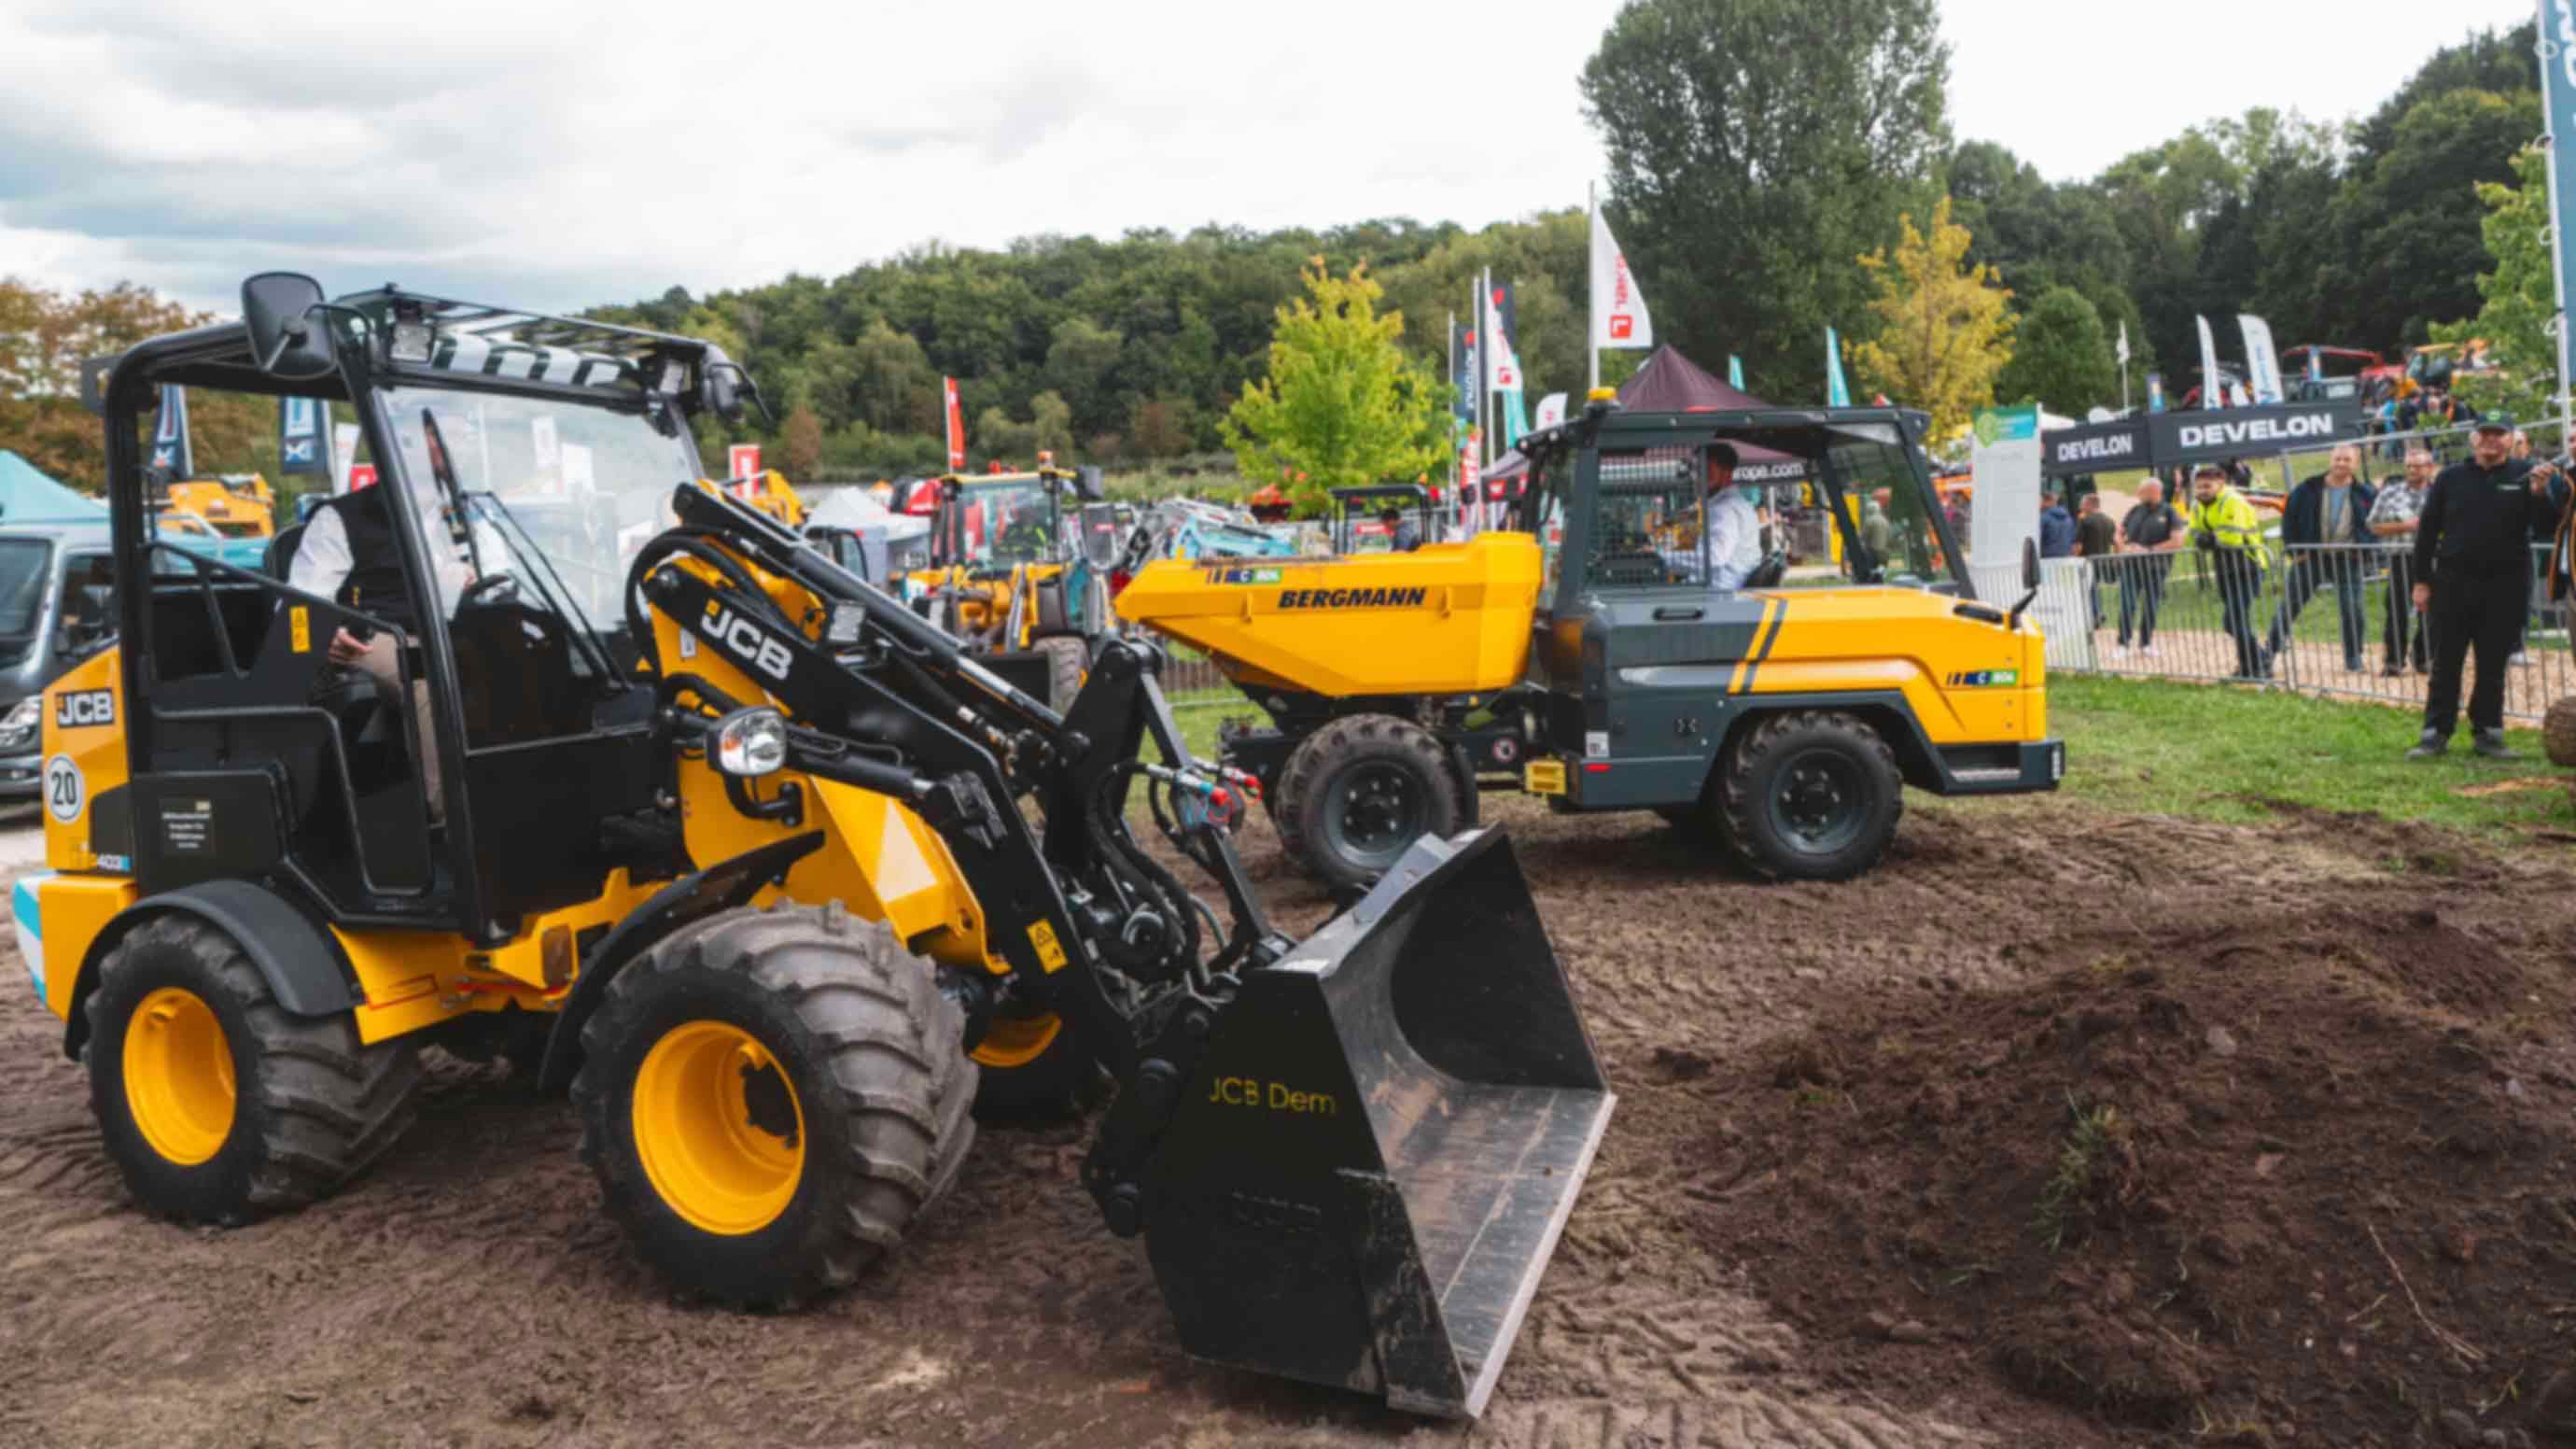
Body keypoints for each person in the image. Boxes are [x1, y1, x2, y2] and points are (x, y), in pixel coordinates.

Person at [288, 417, 494, 818]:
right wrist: (320, 634)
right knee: (429, 680)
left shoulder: (464, 513)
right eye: (440, 432)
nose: (458, 440)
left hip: (454, 630)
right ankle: (452, 819)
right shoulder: (341, 518)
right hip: (379, 634)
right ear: (404, 441)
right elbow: (298, 609)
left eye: (460, 430)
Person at [2407, 411, 2563, 760]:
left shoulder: (2528, 474)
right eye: (2485, 433)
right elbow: (2427, 532)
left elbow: (2545, 527)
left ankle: (2489, 733)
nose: (2491, 439)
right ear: (2474, 438)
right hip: (2452, 584)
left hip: (2504, 586)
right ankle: (2435, 733)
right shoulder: (2450, 477)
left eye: (2499, 433)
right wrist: (2421, 580)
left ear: (2511, 439)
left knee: (2492, 665)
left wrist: (2540, 495)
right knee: (2446, 662)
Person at [2262, 443, 2376, 674]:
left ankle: (2353, 658)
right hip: (2310, 557)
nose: (2341, 463)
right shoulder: (2307, 488)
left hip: (2348, 559)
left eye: (2347, 459)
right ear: (2330, 460)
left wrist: (2364, 550)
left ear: (2355, 463)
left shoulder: (2366, 493)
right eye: (2337, 458)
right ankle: (2268, 654)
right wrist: (2297, 552)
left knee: (2353, 609)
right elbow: (2289, 520)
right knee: (2290, 606)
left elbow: (2375, 524)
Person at [2187, 461, 2271, 679]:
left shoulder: (2232, 500)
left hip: (2248, 565)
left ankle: (2258, 663)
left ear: (2221, 483)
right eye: (2199, 487)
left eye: (2208, 486)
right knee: (2235, 621)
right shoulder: (2197, 506)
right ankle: (2253, 664)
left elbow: (2231, 538)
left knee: (2232, 621)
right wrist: (2207, 539)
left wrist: (2208, 539)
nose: (2202, 491)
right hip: (2225, 568)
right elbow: (2194, 534)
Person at [2369, 447, 2437, 676]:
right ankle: (2393, 661)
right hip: (2401, 557)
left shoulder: (2440, 492)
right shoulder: (2390, 493)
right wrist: (2405, 526)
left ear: (2430, 467)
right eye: (2409, 466)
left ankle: (2423, 656)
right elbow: (2373, 526)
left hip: (2435, 558)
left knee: (2433, 609)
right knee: (2396, 609)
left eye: (2418, 466)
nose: (2412, 470)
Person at [2113, 477, 2187, 658]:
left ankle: (2146, 643)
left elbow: (2177, 541)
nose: (2138, 494)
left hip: (2157, 568)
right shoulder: (2135, 510)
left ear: (2154, 491)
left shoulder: (2170, 512)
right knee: (2127, 604)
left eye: (2141, 491)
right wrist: (2121, 549)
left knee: (2151, 605)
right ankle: (2123, 644)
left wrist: (2149, 550)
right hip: (2131, 566)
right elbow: (2119, 532)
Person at [1694, 443, 1761, 590]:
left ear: (1726, 474)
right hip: (1724, 588)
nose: (1698, 479)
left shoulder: (1724, 510)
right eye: (1698, 472)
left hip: (1718, 592)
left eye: (1707, 472)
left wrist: (1663, 558)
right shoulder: (1739, 503)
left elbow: (1714, 557)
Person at [2074, 492, 2117, 629]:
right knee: (2094, 587)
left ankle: (2095, 614)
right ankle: (2097, 612)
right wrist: (2116, 559)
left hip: (2087, 560)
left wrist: (2073, 558)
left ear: (2089, 505)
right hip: (2103, 561)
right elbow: (2116, 542)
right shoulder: (2109, 521)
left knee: (2089, 589)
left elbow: (2078, 546)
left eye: (2082, 504)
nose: (2080, 507)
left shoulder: (2085, 521)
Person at [2037, 485, 2077, 559]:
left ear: (2047, 501)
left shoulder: (2043, 519)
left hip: (2047, 558)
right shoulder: (2068, 518)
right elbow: (2073, 540)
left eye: (2040, 501)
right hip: (2066, 557)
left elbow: (2038, 538)